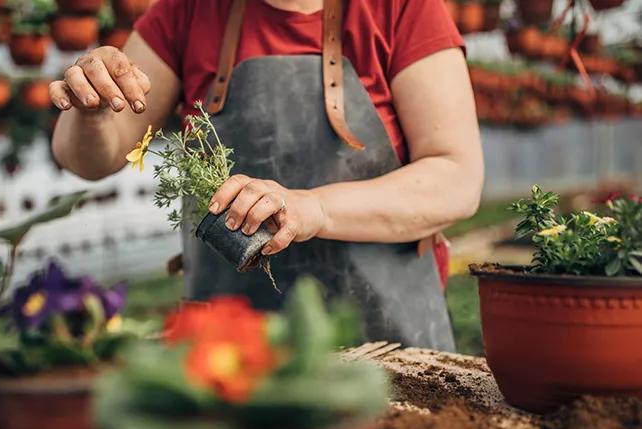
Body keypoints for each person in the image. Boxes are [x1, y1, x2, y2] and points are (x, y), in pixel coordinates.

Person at [50, 0, 484, 351]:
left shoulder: (403, 8)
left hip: (386, 340)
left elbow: (455, 176)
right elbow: (92, 159)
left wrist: (314, 208)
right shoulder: (186, 11)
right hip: (232, 353)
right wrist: (93, 110)